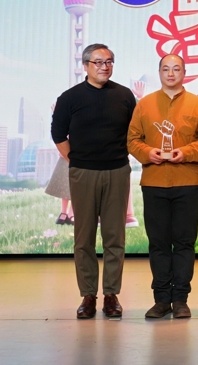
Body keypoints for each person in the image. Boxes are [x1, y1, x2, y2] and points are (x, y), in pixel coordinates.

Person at [127, 54, 198, 319]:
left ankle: (180, 300)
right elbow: (132, 140)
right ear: (159, 72)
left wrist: (186, 152)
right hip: (154, 182)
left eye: (176, 69)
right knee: (158, 244)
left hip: (187, 182)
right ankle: (161, 300)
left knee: (184, 243)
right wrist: (148, 153)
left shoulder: (197, 105)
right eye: (166, 69)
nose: (170, 73)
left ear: (184, 72)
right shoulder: (144, 105)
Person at [51, 43, 137, 320]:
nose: (104, 67)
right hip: (83, 173)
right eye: (98, 62)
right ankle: (88, 295)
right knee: (84, 237)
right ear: (86, 65)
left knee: (115, 236)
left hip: (117, 171)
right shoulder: (70, 98)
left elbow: (135, 133)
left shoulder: (124, 95)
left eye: (109, 62)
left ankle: (111, 294)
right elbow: (58, 133)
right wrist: (76, 160)